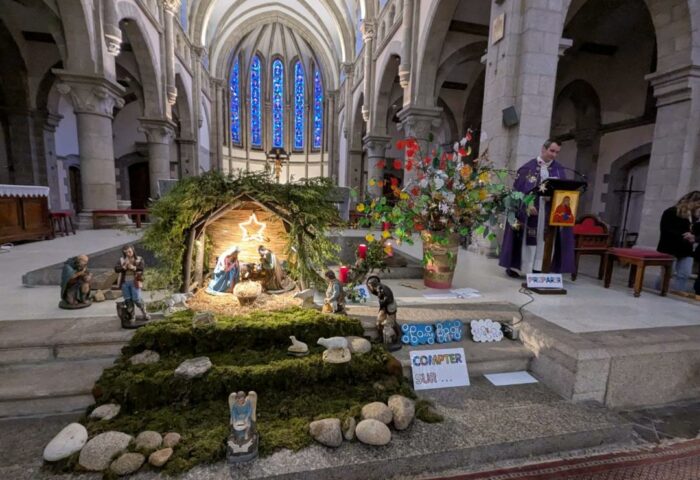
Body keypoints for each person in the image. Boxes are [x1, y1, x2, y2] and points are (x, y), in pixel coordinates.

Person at [499, 139, 575, 278]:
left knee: (543, 240)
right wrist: (527, 203)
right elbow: (518, 192)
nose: (554, 155)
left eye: (557, 152)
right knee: (527, 238)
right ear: (543, 149)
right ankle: (521, 267)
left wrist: (555, 198)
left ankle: (539, 267)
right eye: (552, 151)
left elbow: (564, 191)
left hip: (549, 211)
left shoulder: (559, 169)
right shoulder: (528, 168)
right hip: (531, 211)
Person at [656, 191, 700, 292]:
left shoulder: (694, 216)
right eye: (698, 203)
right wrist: (684, 236)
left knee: (684, 274)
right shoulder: (671, 212)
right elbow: (665, 229)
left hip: (686, 250)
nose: (698, 207)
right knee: (667, 274)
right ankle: (659, 292)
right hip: (670, 248)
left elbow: (696, 232)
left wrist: (694, 236)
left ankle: (678, 293)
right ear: (690, 201)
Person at [114, 245, 149, 322]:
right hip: (125, 282)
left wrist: (134, 267)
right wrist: (123, 267)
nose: (128, 254)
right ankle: (132, 315)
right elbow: (116, 269)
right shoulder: (122, 260)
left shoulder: (139, 259)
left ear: (133, 250)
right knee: (128, 300)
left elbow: (142, 268)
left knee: (137, 299)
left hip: (135, 282)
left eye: (129, 251)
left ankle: (144, 313)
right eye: (126, 252)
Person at [366, 276, 401, 348]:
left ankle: (391, 341)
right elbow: (375, 293)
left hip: (390, 308)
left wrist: (382, 302)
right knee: (379, 322)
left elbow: (388, 299)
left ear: (372, 285)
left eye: (369, 286)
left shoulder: (383, 289)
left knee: (388, 325)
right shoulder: (377, 288)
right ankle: (381, 338)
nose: (369, 287)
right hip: (384, 307)